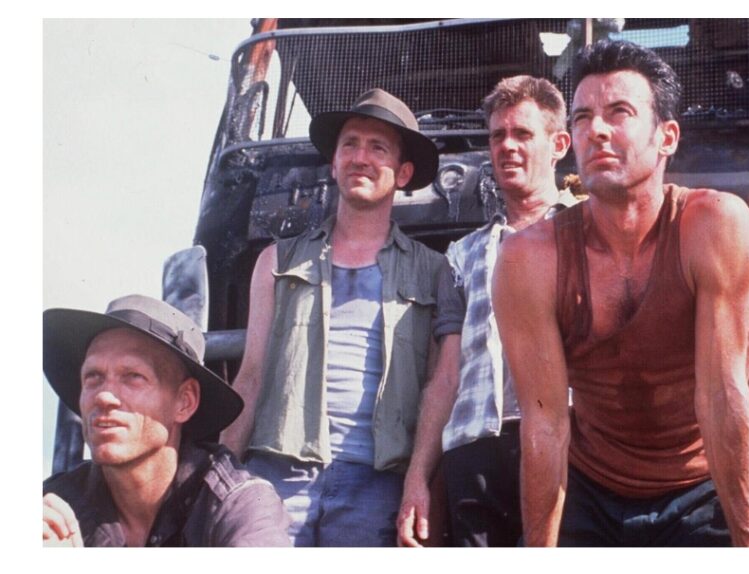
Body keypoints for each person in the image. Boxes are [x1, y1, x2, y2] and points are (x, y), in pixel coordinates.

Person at [492, 40, 749, 547]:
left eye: (619, 112)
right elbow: (546, 422)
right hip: (589, 485)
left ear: (667, 137)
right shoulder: (530, 257)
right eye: (582, 117)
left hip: (699, 485)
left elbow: (721, 397)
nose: (596, 129)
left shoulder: (714, 226)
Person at [221, 88, 447, 546]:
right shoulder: (276, 261)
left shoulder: (435, 272)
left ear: (403, 173)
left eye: (377, 148)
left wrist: (418, 480)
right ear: (334, 162)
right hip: (276, 477)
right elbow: (251, 375)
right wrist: (218, 473)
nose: (360, 157)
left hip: (376, 487)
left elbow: (436, 388)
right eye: (350, 144)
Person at [397, 75, 575, 547]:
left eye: (523, 134)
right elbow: (446, 377)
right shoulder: (462, 255)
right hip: (474, 455)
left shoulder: (587, 233)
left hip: (570, 447)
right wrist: (418, 478)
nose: (507, 146)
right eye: (498, 136)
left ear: (558, 145)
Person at [42, 294, 291, 547]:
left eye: (133, 376)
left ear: (185, 401)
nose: (104, 396)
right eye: (93, 377)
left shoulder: (238, 504)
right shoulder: (54, 506)